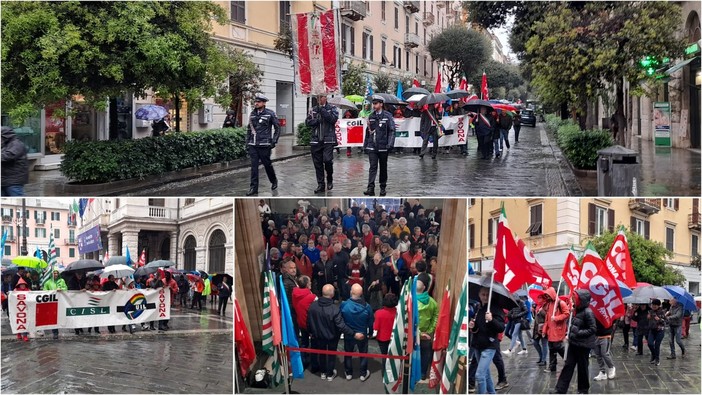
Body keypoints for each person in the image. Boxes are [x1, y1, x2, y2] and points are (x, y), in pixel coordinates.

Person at [307, 284, 365, 382]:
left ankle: (323, 372)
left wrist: (310, 332)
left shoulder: (313, 306)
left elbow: (308, 321)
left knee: (321, 353)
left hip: (318, 336)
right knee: (331, 355)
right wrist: (354, 334)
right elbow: (341, 325)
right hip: (332, 337)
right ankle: (330, 374)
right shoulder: (334, 309)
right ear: (332, 294)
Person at [553, 289, 596, 394]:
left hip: (583, 345)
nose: (572, 301)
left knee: (582, 368)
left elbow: (592, 329)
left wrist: (578, 333)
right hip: (573, 343)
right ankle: (560, 389)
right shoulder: (575, 311)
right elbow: (573, 326)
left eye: (574, 299)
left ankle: (583, 390)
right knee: (568, 366)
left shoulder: (588, 312)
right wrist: (570, 334)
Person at [469, 286, 505, 394]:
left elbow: (501, 328)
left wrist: (492, 319)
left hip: (489, 346)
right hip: (477, 345)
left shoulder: (496, 309)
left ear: (491, 295)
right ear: (479, 295)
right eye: (483, 294)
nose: (485, 297)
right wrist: (473, 326)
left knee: (479, 376)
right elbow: (477, 328)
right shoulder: (478, 307)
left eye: (487, 294)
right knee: (486, 375)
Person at [246, 94, 280, 196]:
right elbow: (249, 129)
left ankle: (273, 180)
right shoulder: (252, 114)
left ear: (264, 103)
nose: (256, 103)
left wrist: (274, 141)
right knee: (254, 167)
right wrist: (247, 142)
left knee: (267, 164)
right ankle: (253, 188)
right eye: (255, 102)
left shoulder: (270, 114)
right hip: (253, 144)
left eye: (259, 102)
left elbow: (277, 128)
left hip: (265, 144)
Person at [362, 95, 395, 197]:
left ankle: (382, 187)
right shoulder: (371, 116)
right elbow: (368, 132)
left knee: (383, 168)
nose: (374, 105)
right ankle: (370, 188)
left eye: (376, 103)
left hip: (383, 146)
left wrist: (390, 144)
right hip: (373, 146)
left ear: (381, 104)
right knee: (372, 167)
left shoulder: (387, 116)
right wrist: (365, 145)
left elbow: (392, 130)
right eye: (373, 103)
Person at [340, 284, 374, 381]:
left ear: (351, 292)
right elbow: (370, 322)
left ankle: (348, 373)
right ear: (361, 293)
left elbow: (340, 319)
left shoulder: (344, 305)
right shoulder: (367, 307)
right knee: (363, 353)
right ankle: (363, 374)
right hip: (362, 334)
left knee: (348, 353)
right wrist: (370, 333)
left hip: (349, 334)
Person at [306, 95, 339, 193]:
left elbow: (333, 120)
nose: (319, 99)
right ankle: (321, 184)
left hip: (328, 139)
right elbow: (307, 122)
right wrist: (316, 121)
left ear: (325, 98)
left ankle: (329, 179)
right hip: (316, 139)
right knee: (318, 164)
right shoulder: (313, 109)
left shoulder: (332, 108)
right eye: (317, 98)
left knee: (327, 160)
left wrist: (323, 111)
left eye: (321, 97)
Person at [542, 287, 570, 373]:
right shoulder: (549, 304)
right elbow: (547, 319)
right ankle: (552, 367)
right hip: (551, 331)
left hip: (558, 330)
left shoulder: (560, 303)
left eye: (548, 295)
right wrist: (544, 331)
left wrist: (556, 318)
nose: (547, 297)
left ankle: (568, 361)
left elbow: (567, 314)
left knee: (558, 347)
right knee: (552, 349)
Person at [293, 276, 318, 372]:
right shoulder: (312, 297)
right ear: (307, 284)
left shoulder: (294, 294)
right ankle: (314, 366)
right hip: (311, 324)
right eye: (310, 282)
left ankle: (303, 363)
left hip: (300, 322)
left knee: (304, 343)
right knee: (314, 345)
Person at [417, 279, 438, 381]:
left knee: (412, 354)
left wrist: (419, 333)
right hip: (427, 334)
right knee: (425, 355)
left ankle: (413, 373)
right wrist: (429, 331)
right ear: (425, 288)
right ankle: (422, 373)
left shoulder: (411, 302)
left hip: (414, 335)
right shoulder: (432, 302)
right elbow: (435, 317)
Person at [1, 126, 29, 196]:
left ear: (5, 136)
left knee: (17, 202)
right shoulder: (4, 144)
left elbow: (8, 156)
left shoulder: (16, 144)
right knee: (4, 203)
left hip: (13, 181)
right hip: (4, 180)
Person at [374, 292, 398, 368]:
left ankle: (385, 371)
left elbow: (376, 327)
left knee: (384, 355)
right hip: (395, 337)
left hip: (382, 338)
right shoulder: (398, 313)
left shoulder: (378, 313)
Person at [42, 269, 67, 339]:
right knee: (53, 318)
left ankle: (61, 329)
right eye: (54, 273)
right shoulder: (48, 282)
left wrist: (61, 289)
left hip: (61, 302)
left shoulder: (62, 280)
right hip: (52, 303)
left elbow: (66, 288)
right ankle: (55, 332)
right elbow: (44, 291)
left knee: (60, 316)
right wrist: (51, 292)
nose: (55, 274)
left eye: (56, 273)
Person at [647, 299, 666, 365]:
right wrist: (648, 318)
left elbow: (666, 321)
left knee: (657, 345)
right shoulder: (650, 311)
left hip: (660, 330)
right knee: (650, 343)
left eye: (655, 305)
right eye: (653, 305)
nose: (653, 306)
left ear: (658, 305)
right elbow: (649, 321)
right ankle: (654, 355)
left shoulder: (662, 312)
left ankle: (657, 359)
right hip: (652, 330)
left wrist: (659, 319)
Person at [532, 295, 549, 366]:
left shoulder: (546, 306)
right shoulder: (538, 306)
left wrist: (541, 311)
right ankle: (541, 357)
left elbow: (547, 316)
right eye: (538, 298)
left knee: (544, 344)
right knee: (535, 342)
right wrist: (534, 311)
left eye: (540, 298)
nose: (538, 299)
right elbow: (535, 317)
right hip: (537, 329)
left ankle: (543, 360)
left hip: (543, 328)